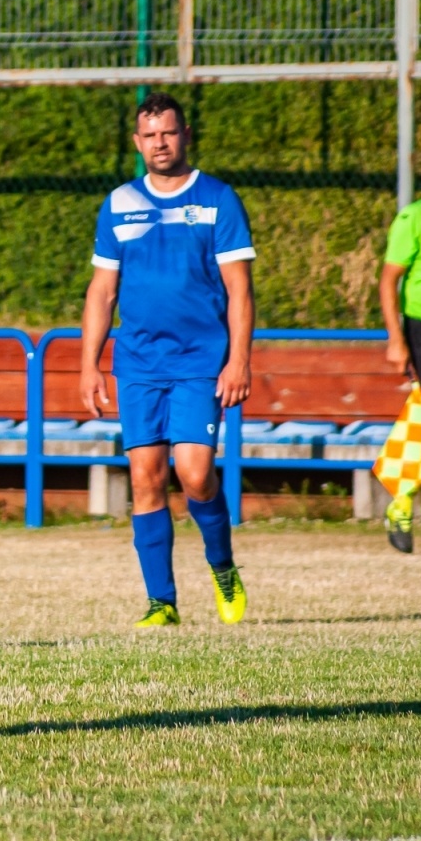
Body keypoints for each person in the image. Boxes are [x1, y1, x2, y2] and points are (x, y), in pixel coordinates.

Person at [78, 91, 254, 629]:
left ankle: (222, 567)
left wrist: (239, 360)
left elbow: (240, 291)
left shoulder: (218, 200)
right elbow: (102, 291)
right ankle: (162, 602)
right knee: (146, 478)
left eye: (169, 133)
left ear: (185, 136)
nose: (160, 143)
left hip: (202, 360)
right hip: (138, 364)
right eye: (150, 135)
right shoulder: (119, 203)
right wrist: (89, 364)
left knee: (196, 474)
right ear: (138, 142)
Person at [378, 194, 421, 553]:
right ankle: (401, 498)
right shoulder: (416, 217)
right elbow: (388, 280)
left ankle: (402, 495)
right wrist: (396, 339)